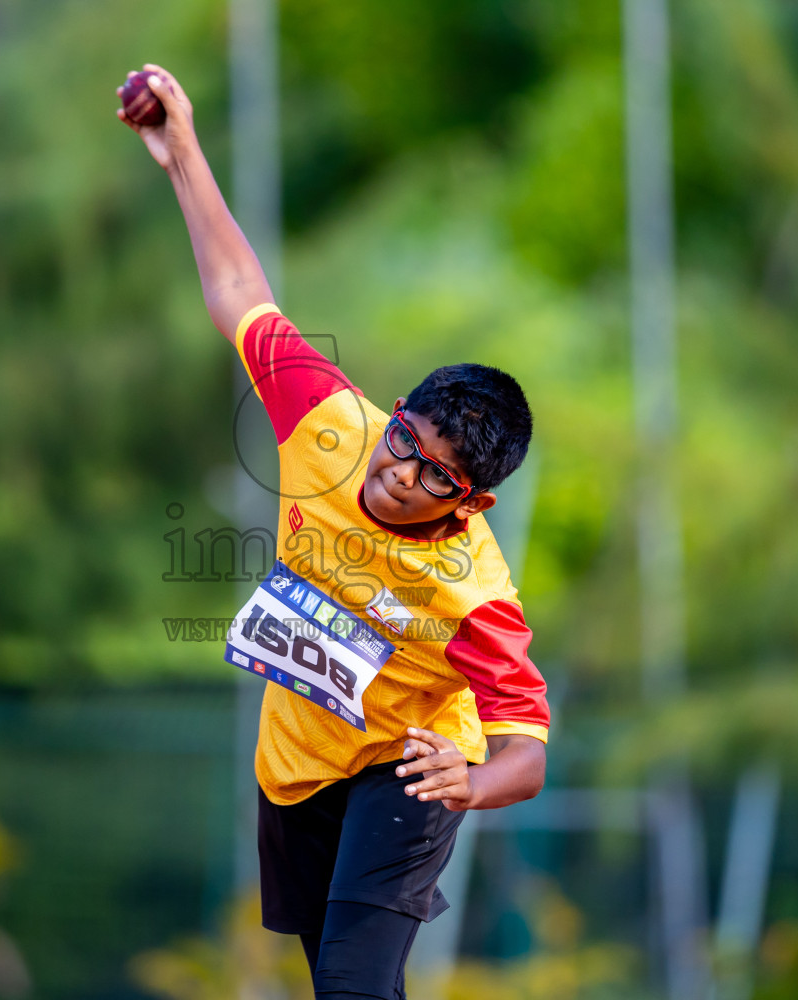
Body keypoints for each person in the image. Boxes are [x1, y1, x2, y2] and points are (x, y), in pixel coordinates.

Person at [118, 64, 549, 1000]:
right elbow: (241, 293)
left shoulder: (474, 595)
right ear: (393, 415)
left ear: (471, 503)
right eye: (406, 443)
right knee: (341, 986)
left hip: (410, 769)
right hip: (298, 757)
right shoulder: (330, 423)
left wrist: (468, 783)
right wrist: (182, 149)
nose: (401, 475)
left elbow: (528, 755)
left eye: (437, 475)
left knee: (354, 990)